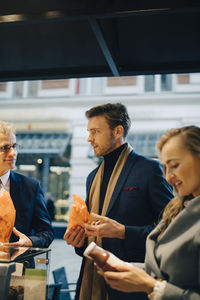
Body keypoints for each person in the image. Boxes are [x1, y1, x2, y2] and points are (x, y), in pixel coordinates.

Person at [65, 103, 173, 300]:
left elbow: (171, 231)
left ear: (117, 131)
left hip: (133, 288)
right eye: (89, 132)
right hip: (92, 281)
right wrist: (79, 242)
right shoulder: (92, 177)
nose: (90, 138)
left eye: (95, 132)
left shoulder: (150, 170)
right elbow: (93, 239)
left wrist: (123, 232)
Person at [98, 125, 200, 300]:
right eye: (165, 167)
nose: (168, 177)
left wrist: (152, 286)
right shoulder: (177, 208)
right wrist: (130, 270)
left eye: (175, 165)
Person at [0, 120, 54, 248]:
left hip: (18, 264)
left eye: (14, 146)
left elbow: (46, 232)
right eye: (5, 148)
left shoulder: (30, 187)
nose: (13, 153)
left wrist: (30, 241)